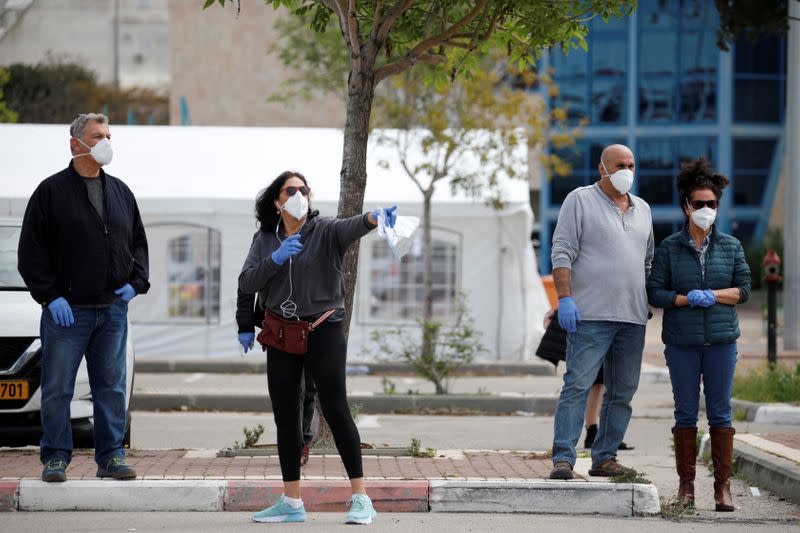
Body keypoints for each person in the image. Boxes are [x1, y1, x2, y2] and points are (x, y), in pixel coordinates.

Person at [238, 170, 397, 525]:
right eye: (290, 190)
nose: (299, 194)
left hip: (324, 327)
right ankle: (291, 501)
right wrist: (276, 258)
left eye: (303, 189)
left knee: (336, 407)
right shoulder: (265, 238)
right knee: (286, 415)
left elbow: (356, 225)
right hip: (281, 331)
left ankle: (360, 497)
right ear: (277, 202)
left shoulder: (324, 230)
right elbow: (247, 281)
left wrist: (376, 216)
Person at [17, 113, 149, 482]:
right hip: (67, 314)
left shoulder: (121, 192)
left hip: (112, 312)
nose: (106, 141)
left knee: (111, 388)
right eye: (98, 135)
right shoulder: (50, 192)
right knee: (58, 388)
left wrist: (136, 283)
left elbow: (137, 242)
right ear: (76, 143)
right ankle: (56, 457)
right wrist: (49, 296)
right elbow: (31, 252)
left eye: (108, 135)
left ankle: (111, 458)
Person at [647, 158, 751, 511]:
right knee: (686, 413)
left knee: (721, 413)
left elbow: (744, 289)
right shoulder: (669, 248)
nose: (706, 209)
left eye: (712, 204)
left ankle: (723, 488)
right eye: (699, 204)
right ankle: (686, 487)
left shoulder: (731, 246)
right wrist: (683, 298)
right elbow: (655, 292)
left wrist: (715, 295)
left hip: (721, 342)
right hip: (682, 343)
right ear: (686, 206)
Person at [548, 144, 654, 480]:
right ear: (602, 168)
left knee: (622, 391)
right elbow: (562, 252)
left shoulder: (644, 209)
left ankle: (604, 457)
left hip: (633, 318)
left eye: (632, 164)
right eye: (620, 164)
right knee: (577, 386)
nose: (627, 170)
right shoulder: (579, 200)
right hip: (589, 315)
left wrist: (648, 299)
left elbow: (647, 261)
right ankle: (564, 457)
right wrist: (564, 298)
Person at [237, 286, 317, 466]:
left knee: (309, 390)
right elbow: (246, 284)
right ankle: (292, 445)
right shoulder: (265, 256)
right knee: (286, 393)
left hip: (315, 323)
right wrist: (245, 324)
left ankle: (303, 441)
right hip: (277, 324)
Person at [537, 310, 634, 450]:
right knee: (583, 383)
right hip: (590, 320)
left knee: (599, 381)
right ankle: (589, 435)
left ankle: (596, 432)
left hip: (611, 318)